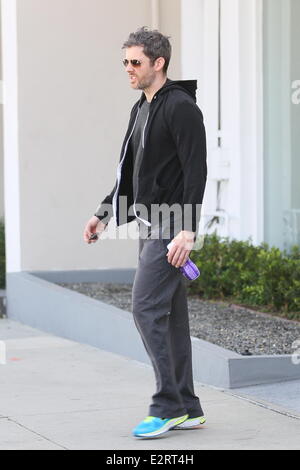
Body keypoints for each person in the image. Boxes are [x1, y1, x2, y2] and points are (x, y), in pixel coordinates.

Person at [83, 26, 207, 439]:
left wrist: (188, 230)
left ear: (159, 63)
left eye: (135, 62)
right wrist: (103, 214)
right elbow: (129, 173)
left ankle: (166, 404)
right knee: (169, 319)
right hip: (152, 223)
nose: (128, 69)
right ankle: (187, 406)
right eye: (125, 62)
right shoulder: (142, 109)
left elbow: (196, 171)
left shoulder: (180, 107)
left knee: (144, 307)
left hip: (173, 224)